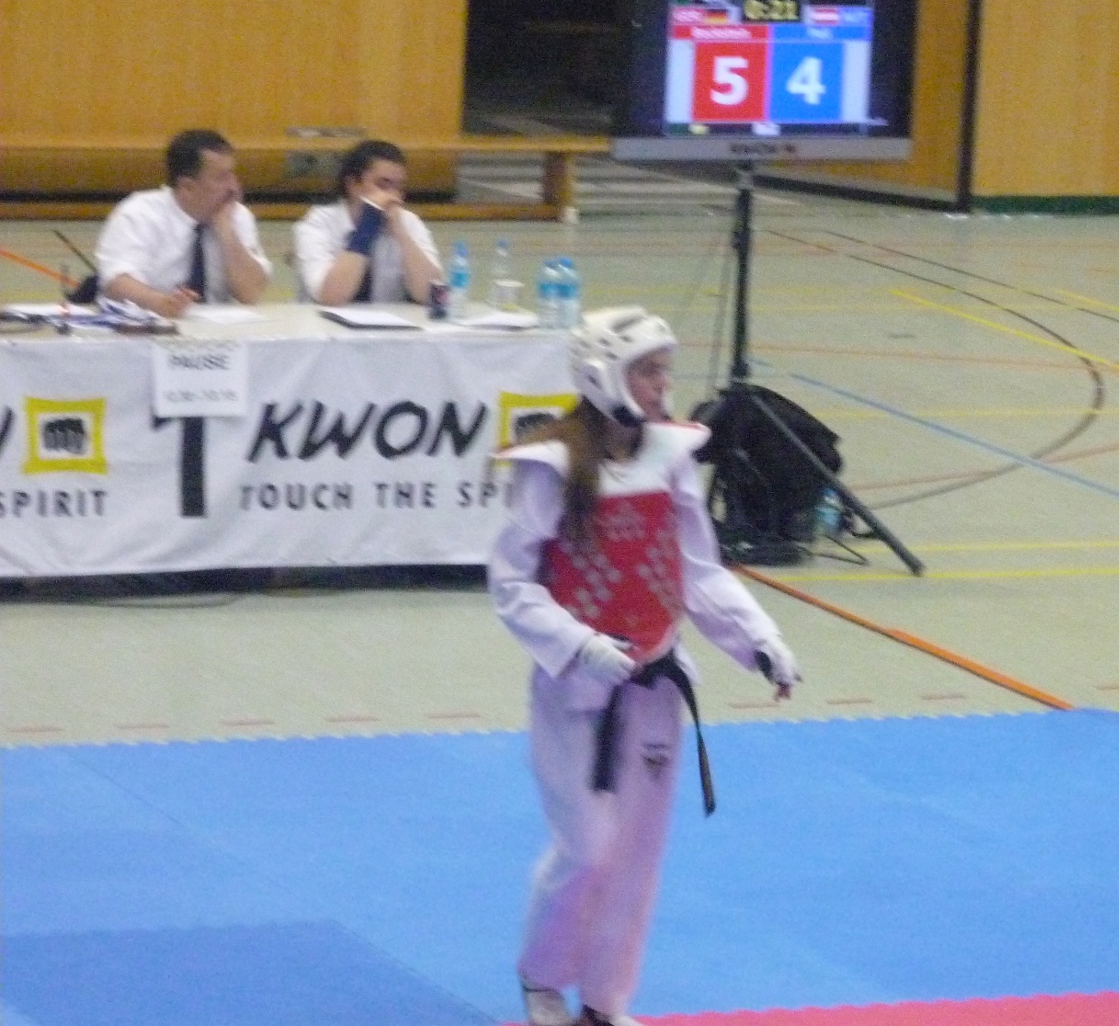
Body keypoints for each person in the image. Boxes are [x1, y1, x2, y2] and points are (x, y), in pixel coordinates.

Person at [488, 306, 801, 1026]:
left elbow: (697, 570)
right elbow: (512, 585)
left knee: (636, 853)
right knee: (587, 847)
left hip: (655, 684)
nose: (664, 384)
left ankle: (605, 1000)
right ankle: (542, 976)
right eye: (648, 371)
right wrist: (577, 642)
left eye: (665, 369)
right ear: (604, 376)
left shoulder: (672, 457)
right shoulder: (553, 466)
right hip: (576, 688)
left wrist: (759, 639)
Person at [94, 129, 272, 318]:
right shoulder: (139, 214)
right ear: (187, 187)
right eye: (222, 178)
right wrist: (158, 302)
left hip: (217, 329)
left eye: (232, 175)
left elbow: (250, 294)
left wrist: (226, 230)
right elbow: (117, 283)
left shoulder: (237, 216)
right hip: (150, 324)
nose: (233, 187)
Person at [292, 140, 441, 305]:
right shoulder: (318, 223)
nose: (393, 196)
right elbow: (331, 297)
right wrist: (367, 226)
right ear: (352, 184)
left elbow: (432, 295)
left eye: (399, 187)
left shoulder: (408, 222)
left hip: (387, 320)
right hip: (322, 320)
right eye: (382, 185)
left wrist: (401, 234)